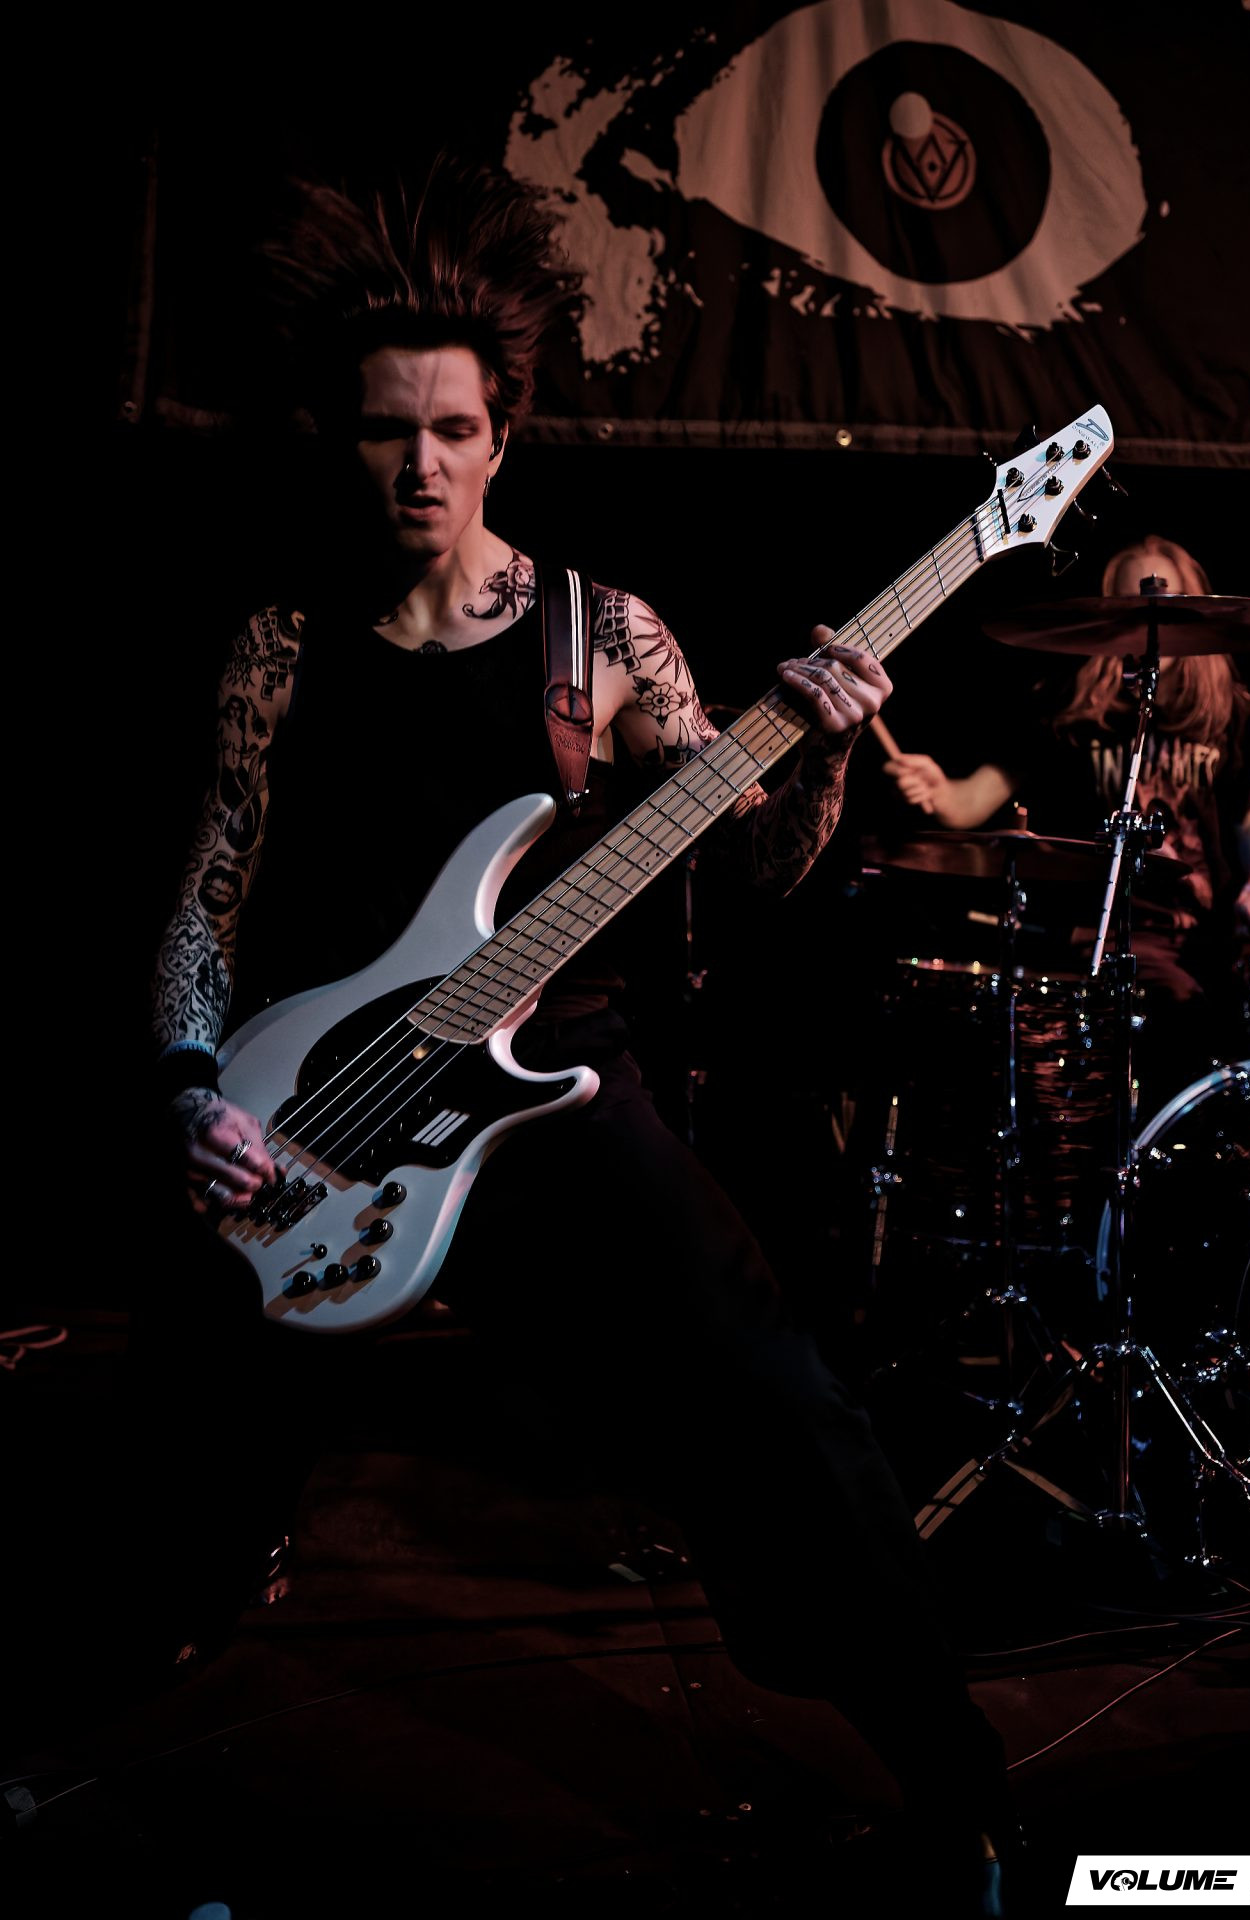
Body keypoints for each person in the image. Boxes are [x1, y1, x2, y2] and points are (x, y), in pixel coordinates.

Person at [138, 153, 1017, 1910]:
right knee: (162, 1481)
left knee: (782, 1407)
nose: (421, 463)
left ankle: (963, 1791)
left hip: (549, 1090)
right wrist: (186, 1088)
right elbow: (206, 904)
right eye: (389, 430)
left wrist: (827, 745)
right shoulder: (279, 651)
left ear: (502, 436)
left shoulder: (599, 633)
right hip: (310, 1119)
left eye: (453, 431)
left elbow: (755, 863)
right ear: (342, 435)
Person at [881, 534, 1250, 1113]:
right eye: (1132, 608)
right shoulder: (1069, 710)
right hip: (1093, 939)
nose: (1150, 621)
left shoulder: (1226, 714)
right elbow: (967, 806)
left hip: (1202, 938)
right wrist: (937, 787)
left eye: (1167, 607)